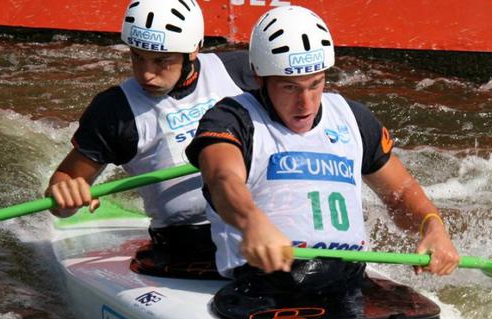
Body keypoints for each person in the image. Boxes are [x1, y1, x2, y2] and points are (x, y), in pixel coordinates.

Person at [185, 6, 459, 300]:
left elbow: (401, 194)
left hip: (349, 283)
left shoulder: (353, 118)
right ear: (259, 78)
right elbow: (223, 180)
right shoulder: (230, 119)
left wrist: (433, 227)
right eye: (290, 88)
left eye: (316, 84)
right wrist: (252, 222)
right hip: (263, 286)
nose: (306, 103)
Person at [45, 0, 255, 278]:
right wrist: (65, 195)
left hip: (257, 224)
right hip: (185, 246)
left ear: (192, 50)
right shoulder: (114, 110)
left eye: (160, 61)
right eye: (137, 57)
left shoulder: (242, 73)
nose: (145, 73)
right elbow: (64, 183)